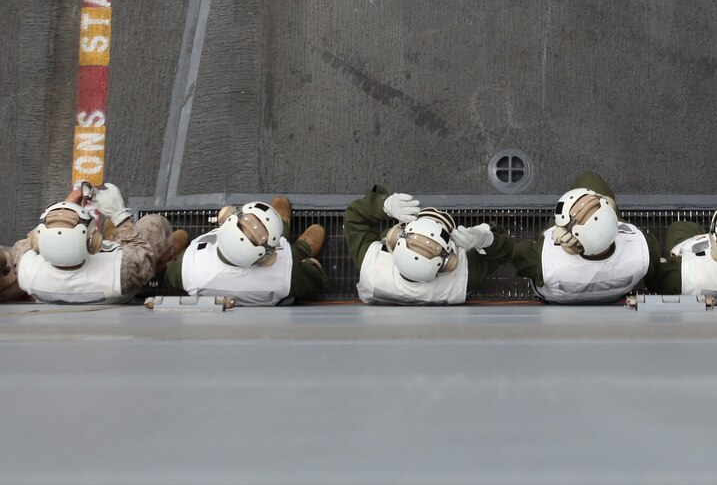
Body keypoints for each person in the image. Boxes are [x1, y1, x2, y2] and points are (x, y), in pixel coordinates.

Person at [9, 183, 185, 304]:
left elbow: (26, 243)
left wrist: (65, 209)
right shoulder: (124, 270)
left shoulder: (26, 271)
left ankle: (114, 237)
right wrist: (118, 214)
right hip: (131, 277)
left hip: (120, 276)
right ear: (94, 243)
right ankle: (165, 256)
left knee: (123, 241)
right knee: (154, 223)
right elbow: (141, 255)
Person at [345, 185, 513, 304]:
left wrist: (385, 206)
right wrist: (483, 238)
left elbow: (355, 216)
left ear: (395, 238)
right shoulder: (462, 279)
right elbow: (504, 252)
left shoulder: (371, 265)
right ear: (448, 263)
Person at [513, 172, 662, 303]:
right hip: (613, 297)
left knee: (587, 180)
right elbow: (652, 259)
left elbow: (519, 254)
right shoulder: (645, 249)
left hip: (555, 300)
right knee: (593, 185)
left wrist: (545, 236)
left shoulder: (542, 260)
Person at [162, 196, 326, 306]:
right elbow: (316, 279)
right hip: (284, 277)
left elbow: (170, 275)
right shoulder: (285, 278)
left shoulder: (186, 270)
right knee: (299, 251)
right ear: (266, 259)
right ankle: (302, 244)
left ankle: (176, 241)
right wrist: (312, 266)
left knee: (179, 236)